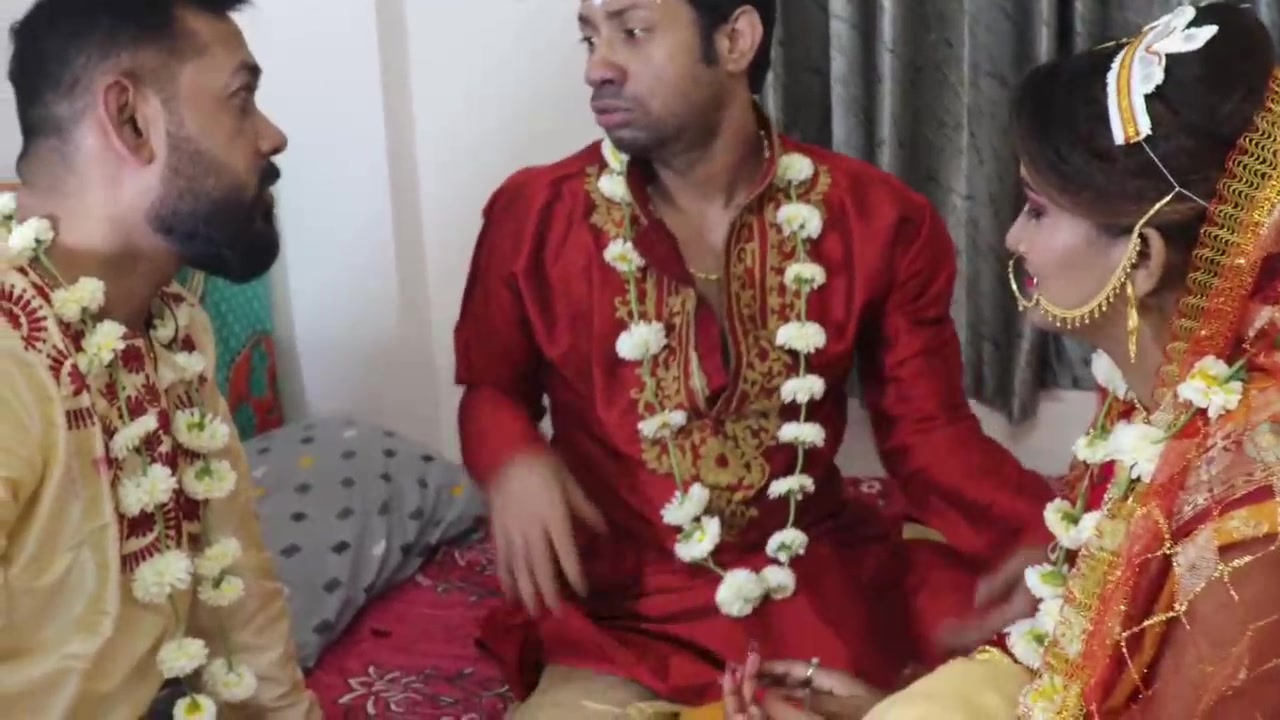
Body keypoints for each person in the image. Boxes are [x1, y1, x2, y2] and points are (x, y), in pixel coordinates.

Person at [454, 0, 1056, 716]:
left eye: (632, 32)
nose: (597, 68)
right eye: (589, 38)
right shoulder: (534, 215)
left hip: (808, 599)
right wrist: (512, 459)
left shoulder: (874, 220)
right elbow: (491, 388)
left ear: (736, 39)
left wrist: (1050, 534)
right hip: (621, 617)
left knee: (1027, 675)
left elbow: (928, 435)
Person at [725, 2, 1280, 717]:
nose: (1013, 238)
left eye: (1038, 210)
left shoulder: (1246, 520)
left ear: (1140, 259)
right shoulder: (1150, 407)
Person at [0, 0, 320, 717]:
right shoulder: (10, 358)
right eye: (241, 98)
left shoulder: (175, 325)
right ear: (131, 120)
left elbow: (241, 600)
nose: (273, 136)